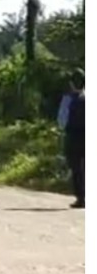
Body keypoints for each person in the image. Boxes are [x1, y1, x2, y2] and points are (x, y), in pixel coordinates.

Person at [58, 70, 85, 209]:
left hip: (73, 136)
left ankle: (81, 197)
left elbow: (62, 120)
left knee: (76, 167)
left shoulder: (68, 99)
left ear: (71, 83)